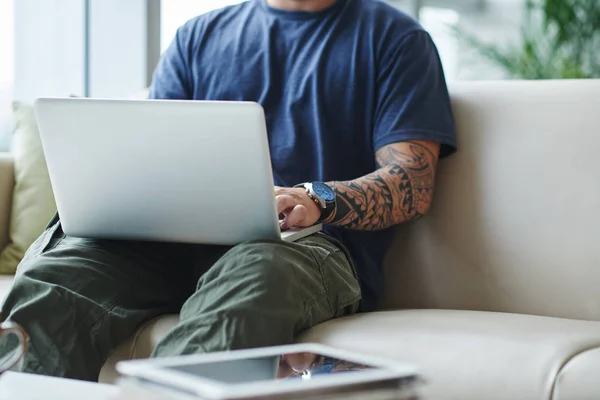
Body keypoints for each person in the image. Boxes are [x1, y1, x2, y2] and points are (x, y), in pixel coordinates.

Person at [0, 0, 457, 381]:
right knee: (58, 277)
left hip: (305, 249)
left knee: (258, 270)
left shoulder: (397, 39)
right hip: (177, 243)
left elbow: (412, 182)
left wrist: (317, 200)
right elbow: (155, 155)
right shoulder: (199, 35)